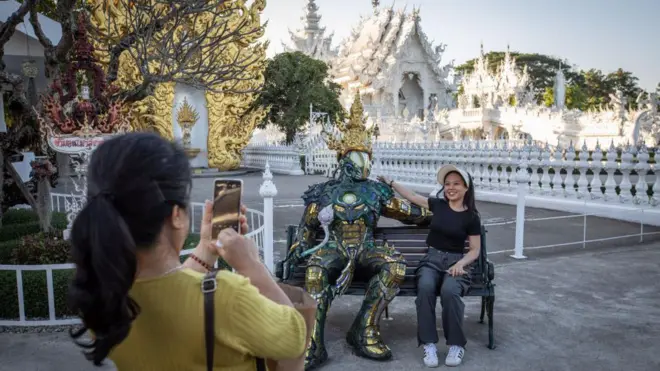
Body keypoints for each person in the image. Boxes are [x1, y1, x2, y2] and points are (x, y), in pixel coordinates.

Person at [67, 132, 307, 370]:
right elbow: (295, 337)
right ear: (176, 215)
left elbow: (168, 287)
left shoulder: (104, 299)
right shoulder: (227, 296)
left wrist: (206, 250)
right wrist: (251, 265)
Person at [378, 164, 481, 368]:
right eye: (447, 184)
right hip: (431, 261)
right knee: (425, 288)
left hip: (455, 264)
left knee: (450, 291)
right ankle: (429, 344)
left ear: (466, 188)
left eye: (456, 184)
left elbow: (475, 250)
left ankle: (456, 344)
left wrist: (461, 264)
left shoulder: (471, 217)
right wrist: (391, 182)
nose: (450, 188)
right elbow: (413, 197)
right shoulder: (438, 205)